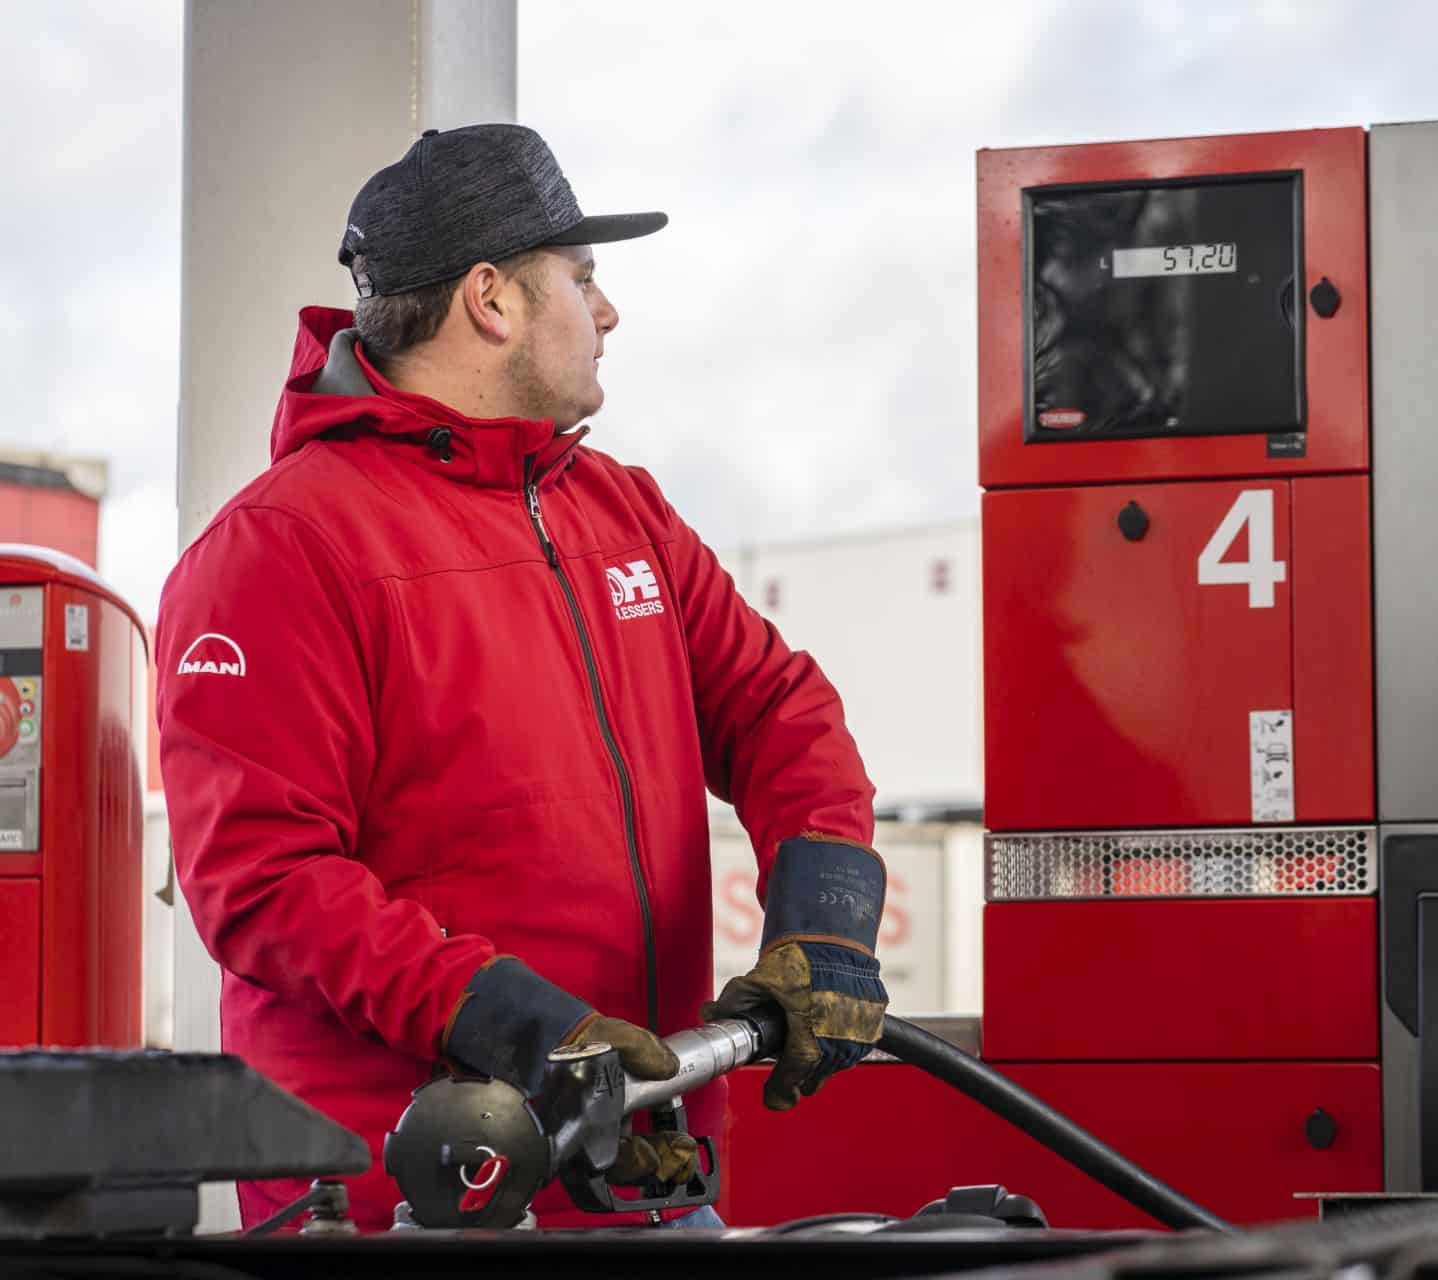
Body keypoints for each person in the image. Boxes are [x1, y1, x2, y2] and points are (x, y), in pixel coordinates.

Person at [156, 123, 889, 1232]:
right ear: (492, 299)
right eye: (583, 279)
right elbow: (264, 879)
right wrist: (518, 1024)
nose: (608, 312)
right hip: (407, 1208)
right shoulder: (283, 547)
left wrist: (825, 922)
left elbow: (780, 709)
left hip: (643, 1177)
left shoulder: (621, 511)